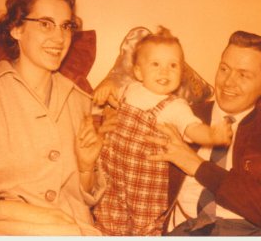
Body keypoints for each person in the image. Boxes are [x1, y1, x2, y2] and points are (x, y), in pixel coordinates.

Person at [146, 30, 261, 236]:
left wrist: (198, 166)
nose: (228, 82)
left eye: (243, 74)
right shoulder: (180, 115)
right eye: (224, 69)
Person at [0, 0, 107, 235]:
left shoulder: (80, 101)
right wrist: (15, 210)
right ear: (16, 29)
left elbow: (82, 198)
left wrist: (86, 167)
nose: (59, 38)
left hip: (71, 227)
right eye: (45, 23)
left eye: (66, 26)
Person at [91, 26, 233, 235]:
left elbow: (192, 128)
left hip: (145, 188)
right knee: (106, 224)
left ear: (181, 73)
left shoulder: (175, 106)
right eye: (155, 64)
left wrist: (212, 135)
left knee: (144, 230)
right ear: (139, 71)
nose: (164, 71)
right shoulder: (131, 89)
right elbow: (114, 94)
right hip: (111, 178)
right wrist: (108, 87)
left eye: (173, 65)